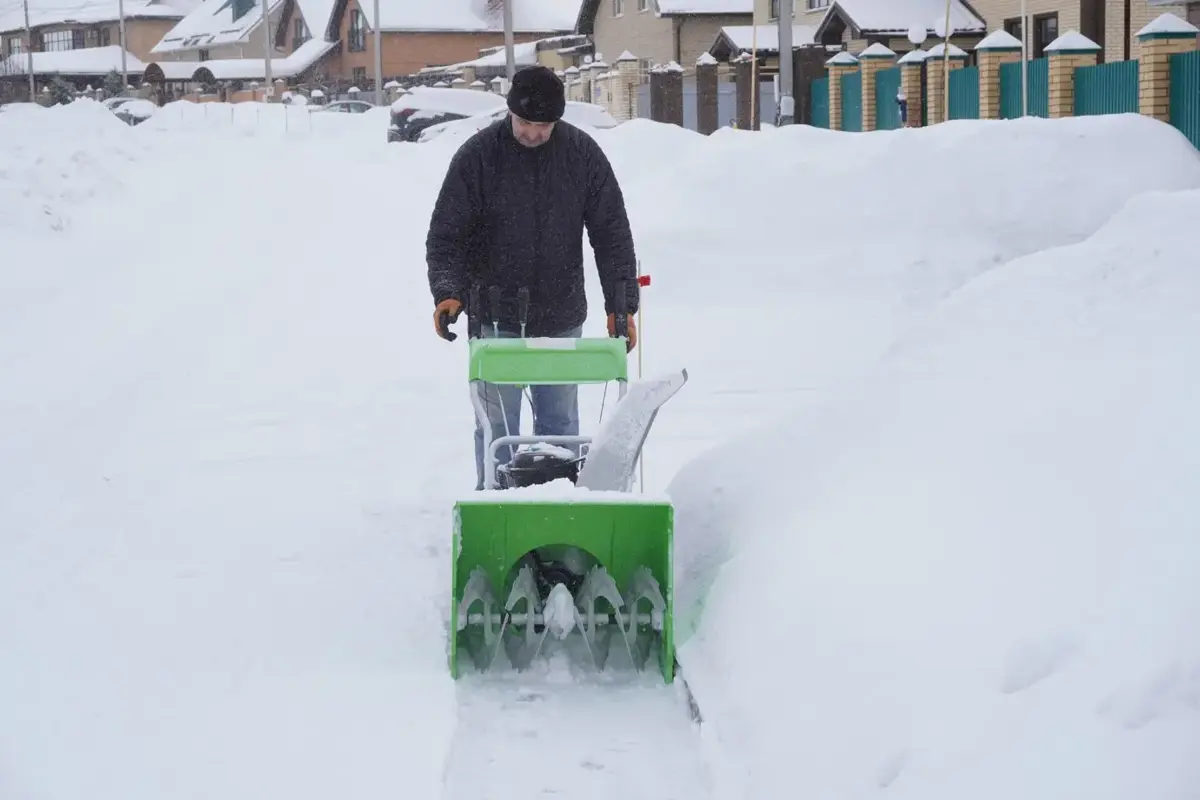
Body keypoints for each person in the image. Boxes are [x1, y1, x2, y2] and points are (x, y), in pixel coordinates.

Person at [425, 64, 640, 490]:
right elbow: (448, 232)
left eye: (544, 125)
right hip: (493, 315)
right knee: (497, 431)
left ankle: (560, 513)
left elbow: (611, 233)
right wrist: (447, 292)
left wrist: (621, 306)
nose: (534, 133)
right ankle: (496, 505)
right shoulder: (479, 156)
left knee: (559, 429)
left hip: (560, 314)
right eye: (526, 122)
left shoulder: (581, 156)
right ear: (510, 113)